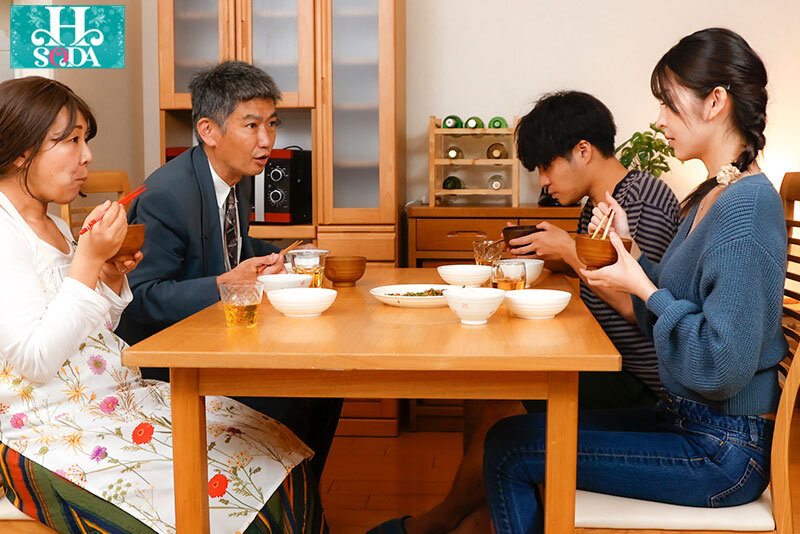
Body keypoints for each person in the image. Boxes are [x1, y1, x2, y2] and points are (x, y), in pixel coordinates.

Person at [483, 27, 786, 534]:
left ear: (715, 102)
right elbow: (669, 310)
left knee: (510, 450)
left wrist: (643, 286)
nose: (659, 119)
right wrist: (633, 255)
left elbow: (720, 366)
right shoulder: (713, 195)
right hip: (690, 421)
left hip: (723, 451)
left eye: (668, 103)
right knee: (510, 434)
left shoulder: (747, 206)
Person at [0, 76, 327, 533]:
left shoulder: (52, 222)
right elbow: (35, 358)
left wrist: (108, 275)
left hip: (109, 396)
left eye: (85, 140)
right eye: (71, 141)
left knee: (273, 450)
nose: (87, 155)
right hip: (46, 426)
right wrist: (89, 261)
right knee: (242, 490)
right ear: (21, 151)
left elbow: (93, 329)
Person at [371, 92, 682, 534]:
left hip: (639, 380)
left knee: (504, 401)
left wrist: (569, 251)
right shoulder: (598, 205)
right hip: (606, 358)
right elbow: (606, 276)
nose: (543, 181)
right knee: (482, 388)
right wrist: (557, 257)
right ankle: (477, 519)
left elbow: (643, 305)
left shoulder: (643, 199)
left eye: (546, 166)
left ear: (583, 151)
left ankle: (440, 521)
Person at [116, 61, 342, 481]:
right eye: (251, 125)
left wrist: (282, 255)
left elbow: (232, 246)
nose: (266, 140)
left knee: (326, 383)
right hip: (171, 364)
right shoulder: (167, 195)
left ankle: (298, 503)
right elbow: (140, 298)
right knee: (301, 392)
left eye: (271, 124)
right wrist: (224, 284)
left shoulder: (236, 177)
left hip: (219, 339)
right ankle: (274, 501)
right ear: (208, 130)